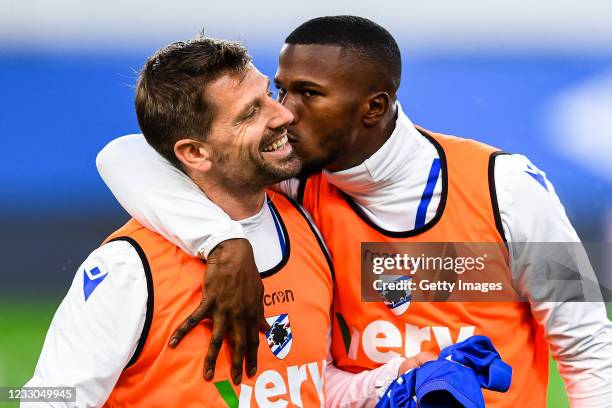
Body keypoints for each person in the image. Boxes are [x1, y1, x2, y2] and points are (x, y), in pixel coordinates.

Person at [96, 16, 612, 407]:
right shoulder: (292, 187)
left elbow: (589, 343)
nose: (282, 112)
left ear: (374, 106)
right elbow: (122, 154)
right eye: (280, 90)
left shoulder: (510, 188)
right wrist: (222, 242)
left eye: (309, 95)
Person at [25, 36, 425, 407]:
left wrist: (389, 381)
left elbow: (306, 384)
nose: (283, 114)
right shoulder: (128, 268)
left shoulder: (304, 226)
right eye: (251, 112)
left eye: (267, 95)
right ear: (196, 153)